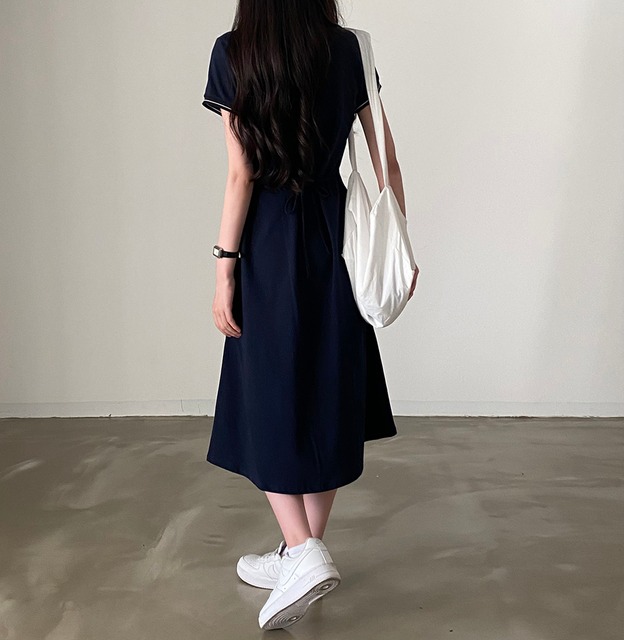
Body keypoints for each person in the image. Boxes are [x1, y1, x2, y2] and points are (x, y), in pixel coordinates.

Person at [201, 0, 419, 631]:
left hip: (267, 242)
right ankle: (300, 551)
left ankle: (300, 551)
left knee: (266, 394)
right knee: (327, 386)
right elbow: (386, 163)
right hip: (334, 235)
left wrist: (224, 266)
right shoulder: (347, 49)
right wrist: (401, 248)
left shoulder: (233, 52)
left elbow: (241, 174)